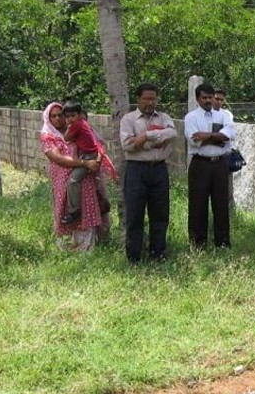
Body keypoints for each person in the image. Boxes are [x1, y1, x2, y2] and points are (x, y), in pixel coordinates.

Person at [120, 83, 178, 263]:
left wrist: (145, 137)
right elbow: (127, 145)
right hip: (137, 170)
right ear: (138, 99)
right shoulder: (128, 120)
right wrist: (154, 138)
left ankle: (158, 254)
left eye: (153, 98)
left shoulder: (164, 117)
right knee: (135, 215)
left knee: (160, 214)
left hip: (159, 169)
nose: (150, 102)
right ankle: (134, 257)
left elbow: (172, 133)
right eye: (146, 98)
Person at [40, 102, 108, 252]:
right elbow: (58, 159)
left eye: (60, 115)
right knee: (66, 210)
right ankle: (67, 249)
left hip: (85, 179)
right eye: (53, 116)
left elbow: (98, 145)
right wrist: (85, 163)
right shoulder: (48, 136)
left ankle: (87, 248)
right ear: (48, 118)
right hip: (63, 181)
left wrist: (95, 161)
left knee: (87, 209)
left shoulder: (78, 128)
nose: (58, 118)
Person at [184, 83, 235, 249]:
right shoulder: (191, 117)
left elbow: (229, 136)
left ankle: (222, 243)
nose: (208, 100)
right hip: (200, 164)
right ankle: (198, 244)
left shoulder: (223, 116)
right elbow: (194, 139)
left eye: (210, 97)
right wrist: (217, 137)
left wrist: (207, 135)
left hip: (220, 163)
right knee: (198, 204)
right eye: (204, 97)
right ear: (198, 98)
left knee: (221, 204)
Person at [61, 100, 102, 225]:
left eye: (73, 116)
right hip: (91, 155)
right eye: (67, 117)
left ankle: (74, 212)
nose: (70, 119)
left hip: (89, 157)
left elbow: (66, 138)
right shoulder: (83, 123)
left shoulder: (77, 125)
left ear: (80, 115)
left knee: (73, 181)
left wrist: (68, 127)